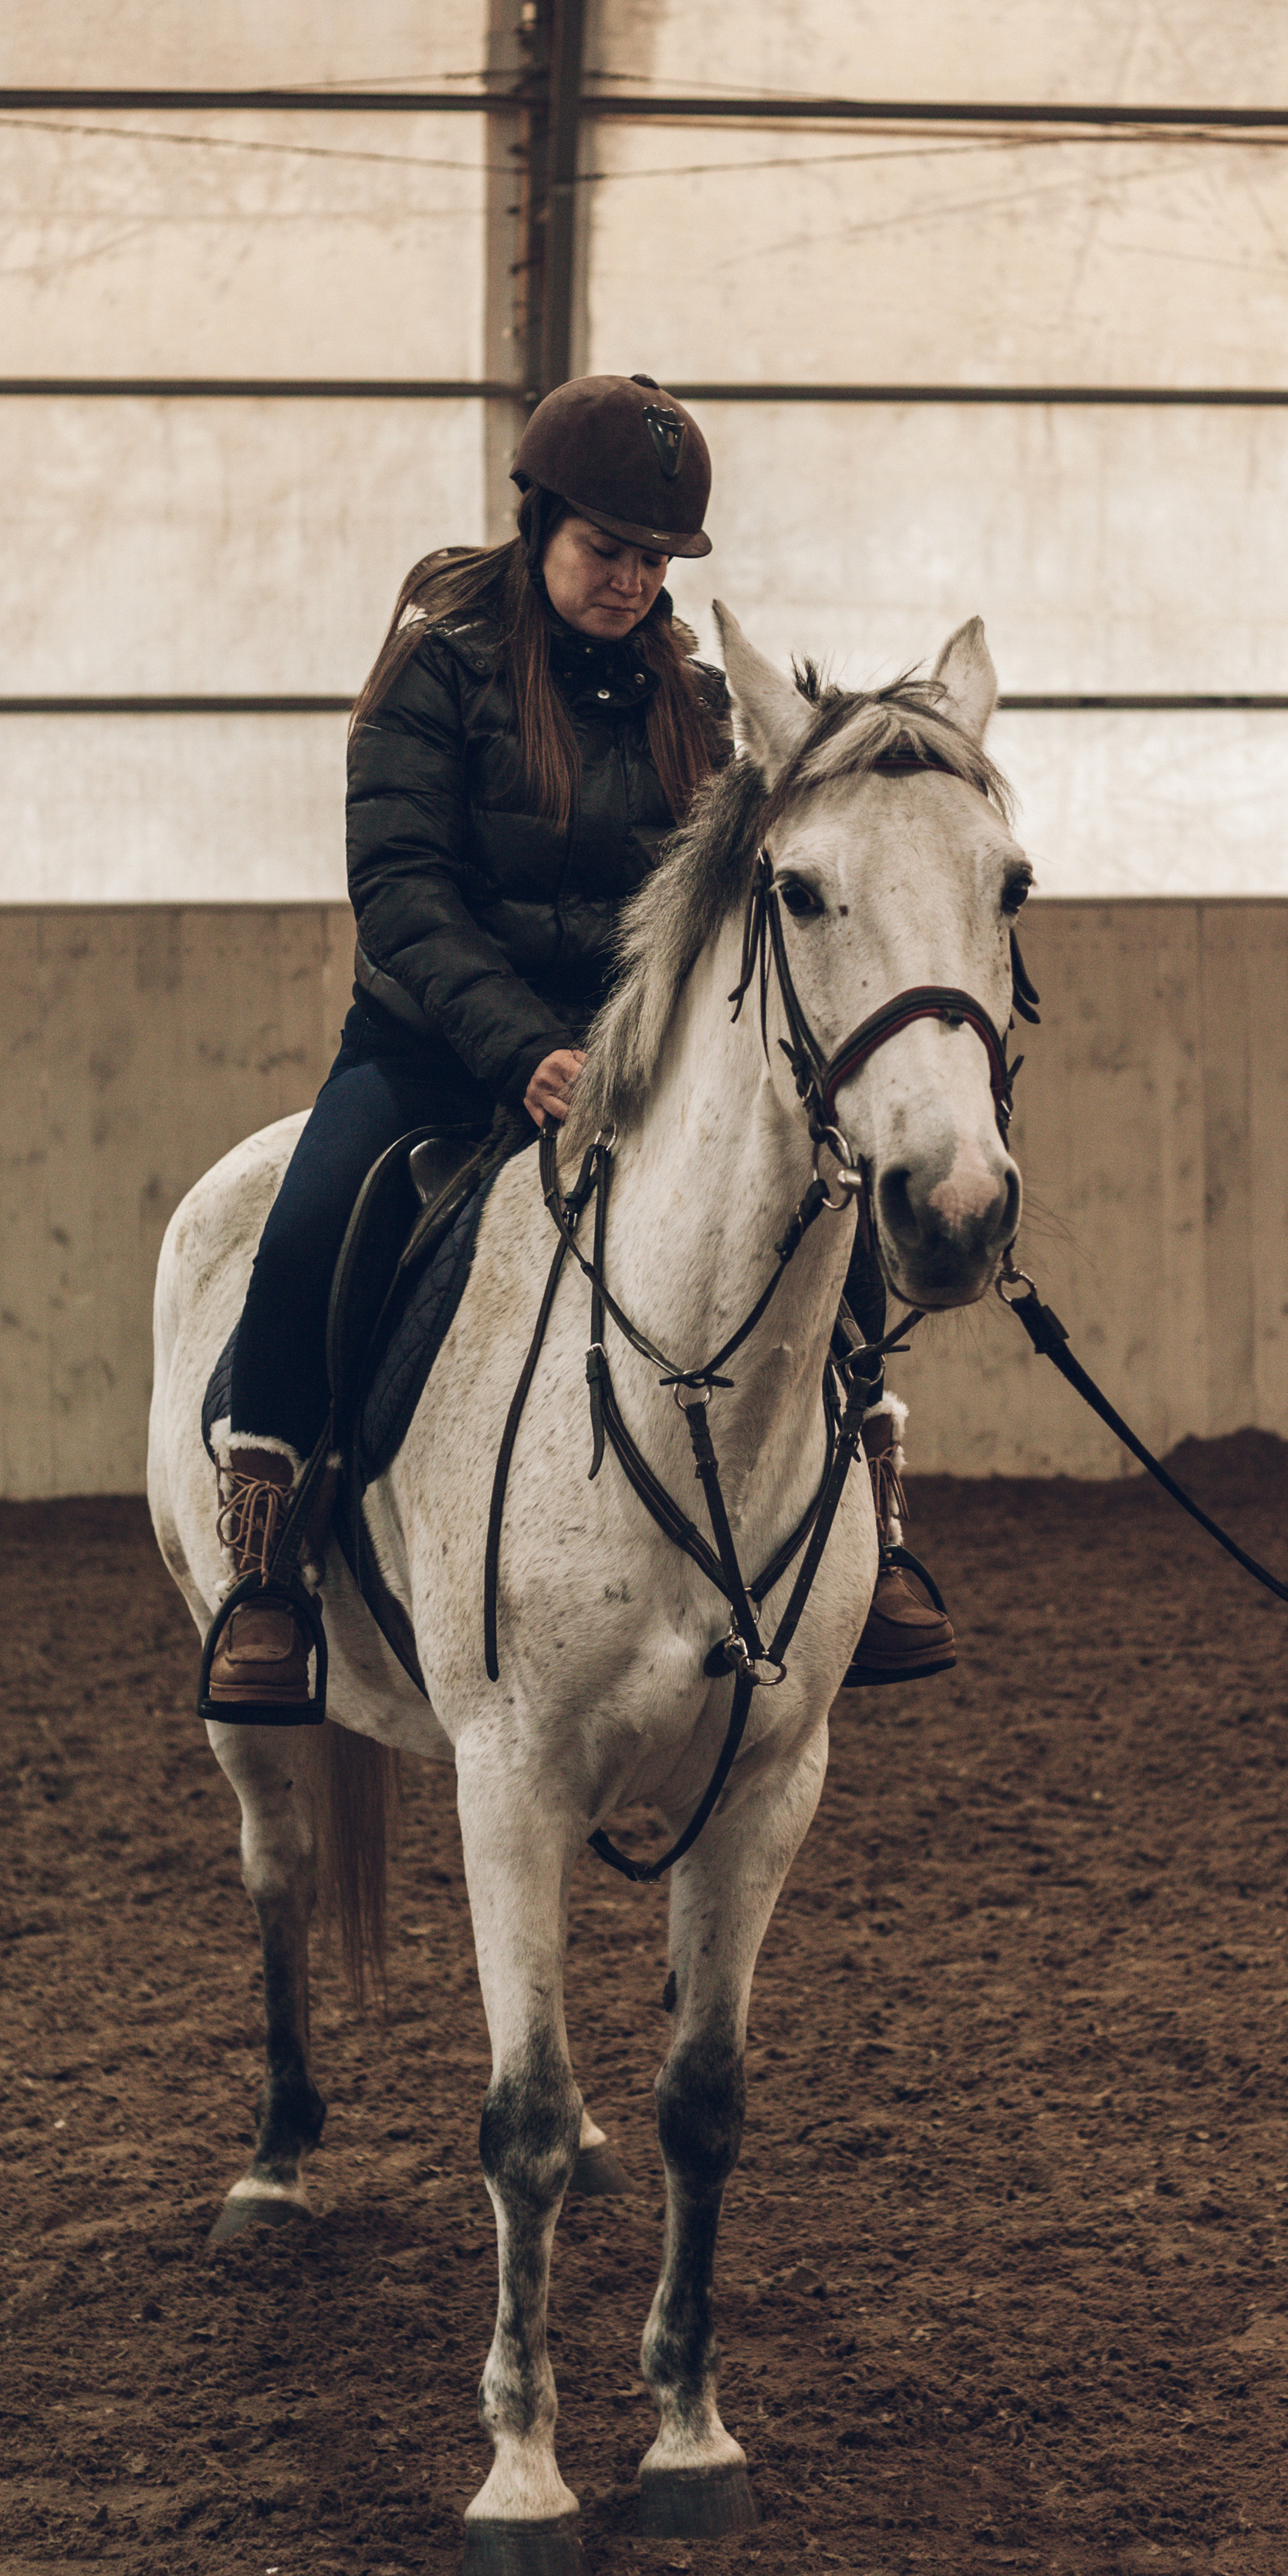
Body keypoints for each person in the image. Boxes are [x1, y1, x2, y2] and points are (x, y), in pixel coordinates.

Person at [208, 372, 954, 1711]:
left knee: (815, 1208)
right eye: (608, 549)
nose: (631, 580)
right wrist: (518, 1050)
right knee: (315, 1222)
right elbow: (404, 894)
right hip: (436, 1050)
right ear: (540, 521)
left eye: (656, 558)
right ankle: (266, 1575)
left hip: (639, 1063)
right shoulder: (435, 676)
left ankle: (879, 1527)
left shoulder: (707, 706)